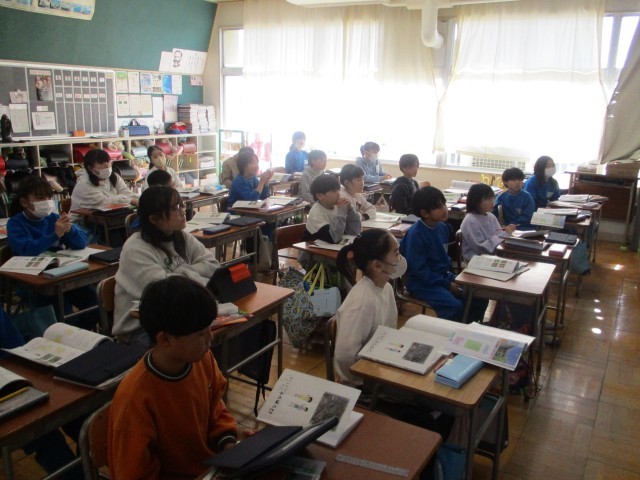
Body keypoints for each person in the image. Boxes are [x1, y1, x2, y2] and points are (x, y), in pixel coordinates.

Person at [108, 276, 239, 479]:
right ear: (165, 339)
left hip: (210, 469)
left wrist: (230, 446)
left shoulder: (201, 359)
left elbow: (216, 409)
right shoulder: (135, 398)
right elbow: (133, 473)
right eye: (201, 334)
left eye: (209, 328)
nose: (210, 338)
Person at [113, 186, 219, 346]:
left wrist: (181, 271)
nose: (183, 211)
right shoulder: (135, 248)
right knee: (198, 343)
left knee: (222, 334)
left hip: (181, 315)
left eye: (182, 205)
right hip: (141, 328)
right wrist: (194, 277)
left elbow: (213, 266)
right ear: (154, 219)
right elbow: (165, 293)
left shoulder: (182, 237)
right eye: (175, 208)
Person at [0, 307, 84, 479]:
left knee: (79, 414)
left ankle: (91, 465)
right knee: (45, 436)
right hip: (11, 395)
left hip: (15, 378)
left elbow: (15, 351)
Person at [7, 175, 98, 329]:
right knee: (62, 313)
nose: (47, 201)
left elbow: (81, 243)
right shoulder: (15, 224)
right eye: (40, 198)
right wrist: (55, 235)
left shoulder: (53, 218)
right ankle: (68, 334)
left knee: (94, 301)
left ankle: (83, 333)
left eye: (49, 197)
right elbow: (25, 251)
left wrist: (70, 230)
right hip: (35, 283)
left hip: (62, 275)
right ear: (24, 202)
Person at [400, 186, 485, 322]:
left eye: (444, 204)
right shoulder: (416, 234)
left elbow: (443, 261)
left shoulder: (443, 227)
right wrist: (447, 285)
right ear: (425, 213)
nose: (445, 209)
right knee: (454, 306)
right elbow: (419, 271)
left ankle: (468, 327)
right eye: (438, 207)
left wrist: (450, 280)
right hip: (421, 283)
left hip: (442, 277)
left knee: (479, 295)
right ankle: (457, 330)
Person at [333, 229, 404, 386]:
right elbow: (344, 355)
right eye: (396, 253)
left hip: (381, 364)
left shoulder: (386, 288)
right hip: (363, 382)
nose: (399, 259)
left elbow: (389, 332)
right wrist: (365, 378)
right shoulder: (361, 302)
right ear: (377, 265)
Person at [70, 148, 139, 217]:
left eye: (108, 162)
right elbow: (103, 202)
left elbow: (126, 192)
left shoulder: (114, 177)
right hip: (82, 221)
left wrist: (141, 199)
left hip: (109, 219)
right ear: (90, 168)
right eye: (101, 163)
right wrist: (131, 201)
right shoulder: (83, 184)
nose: (107, 166)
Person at [460, 183, 516, 263]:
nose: (492, 202)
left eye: (493, 198)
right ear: (476, 201)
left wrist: (506, 232)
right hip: (477, 260)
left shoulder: (491, 216)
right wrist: (504, 235)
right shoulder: (470, 220)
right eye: (488, 199)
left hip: (493, 256)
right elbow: (480, 249)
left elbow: (499, 236)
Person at [303, 174, 361, 243]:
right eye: (333, 191)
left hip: (332, 245)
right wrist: (341, 211)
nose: (338, 194)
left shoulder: (336, 206)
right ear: (319, 196)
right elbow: (333, 238)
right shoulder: (316, 213)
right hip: (313, 247)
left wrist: (350, 210)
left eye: (338, 190)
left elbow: (354, 231)